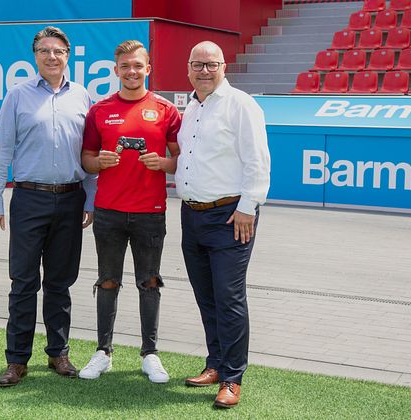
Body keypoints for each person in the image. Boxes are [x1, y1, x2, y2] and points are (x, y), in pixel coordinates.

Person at [0, 26, 96, 387]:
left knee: (61, 283)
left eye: (58, 50)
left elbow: (89, 154)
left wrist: (91, 199)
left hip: (70, 198)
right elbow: (1, 151)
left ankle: (57, 353)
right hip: (29, 199)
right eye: (45, 50)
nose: (52, 56)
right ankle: (17, 360)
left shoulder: (82, 97)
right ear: (35, 56)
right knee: (23, 282)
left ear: (68, 55)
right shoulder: (17, 96)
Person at [78, 40, 181, 383]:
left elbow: (183, 160)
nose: (132, 71)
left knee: (149, 282)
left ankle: (149, 353)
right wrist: (99, 162)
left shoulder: (166, 110)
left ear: (148, 69)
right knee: (107, 282)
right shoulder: (100, 110)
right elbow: (86, 159)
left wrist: (164, 164)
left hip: (150, 213)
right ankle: (103, 352)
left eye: (138, 65)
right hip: (107, 212)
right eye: (125, 66)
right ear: (116, 70)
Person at [175, 41, 271, 408]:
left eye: (210, 64)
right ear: (188, 67)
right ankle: (215, 363)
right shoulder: (191, 108)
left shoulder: (241, 104)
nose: (203, 70)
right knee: (207, 297)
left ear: (224, 66)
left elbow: (258, 160)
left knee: (229, 298)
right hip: (192, 215)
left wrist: (249, 207)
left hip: (231, 216)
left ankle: (232, 377)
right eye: (197, 64)